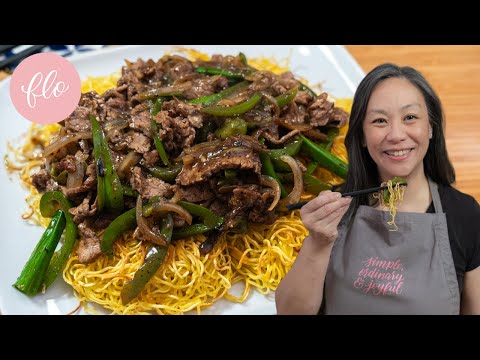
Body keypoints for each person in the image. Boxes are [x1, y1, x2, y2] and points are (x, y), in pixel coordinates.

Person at [275, 63, 480, 315]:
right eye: (380, 120)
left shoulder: (465, 214)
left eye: (410, 117)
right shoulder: (333, 210)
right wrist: (317, 242)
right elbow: (290, 311)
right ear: (361, 135)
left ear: (431, 128)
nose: (396, 135)